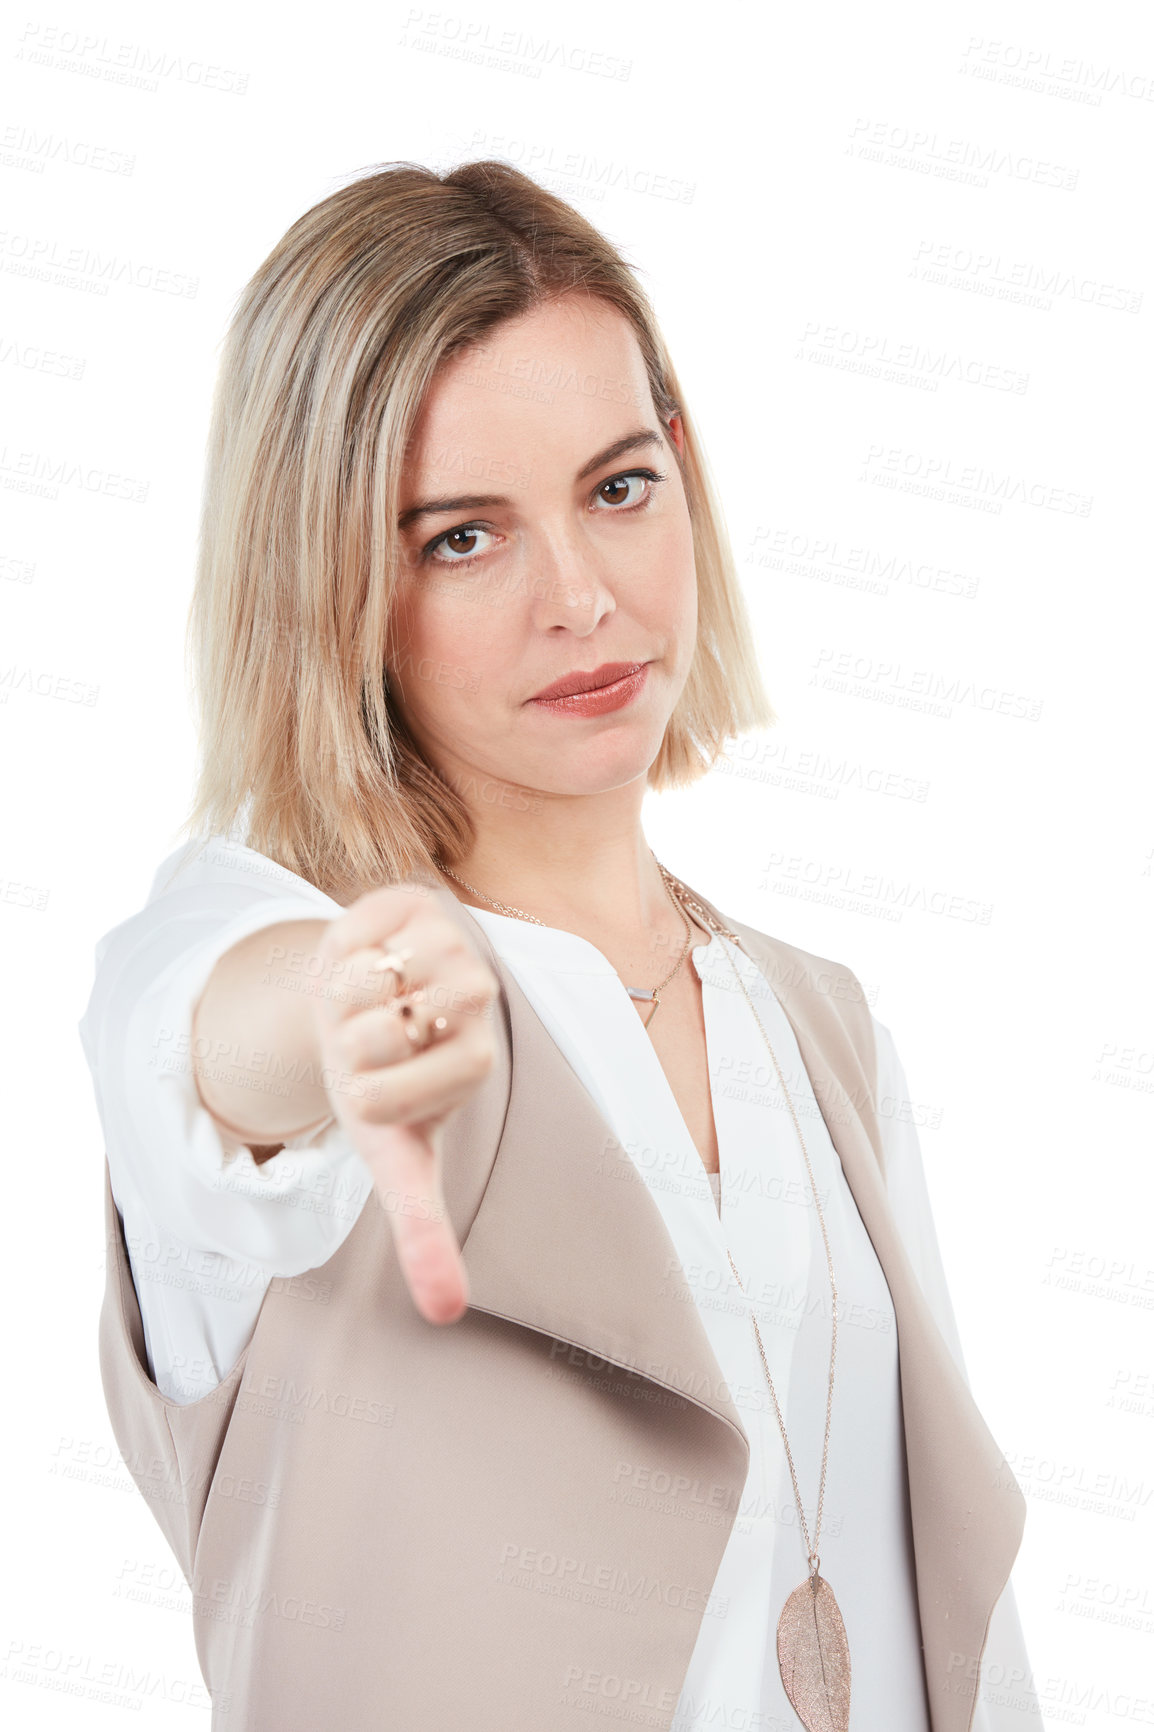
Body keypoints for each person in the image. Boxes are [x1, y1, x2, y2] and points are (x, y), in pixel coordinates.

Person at [81, 160, 1040, 1731]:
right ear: (328, 582)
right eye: (462, 538)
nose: (582, 600)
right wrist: (346, 1009)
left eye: (614, 488)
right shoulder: (255, 946)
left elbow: (953, 1620)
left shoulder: (820, 1026)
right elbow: (212, 1040)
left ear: (684, 472)